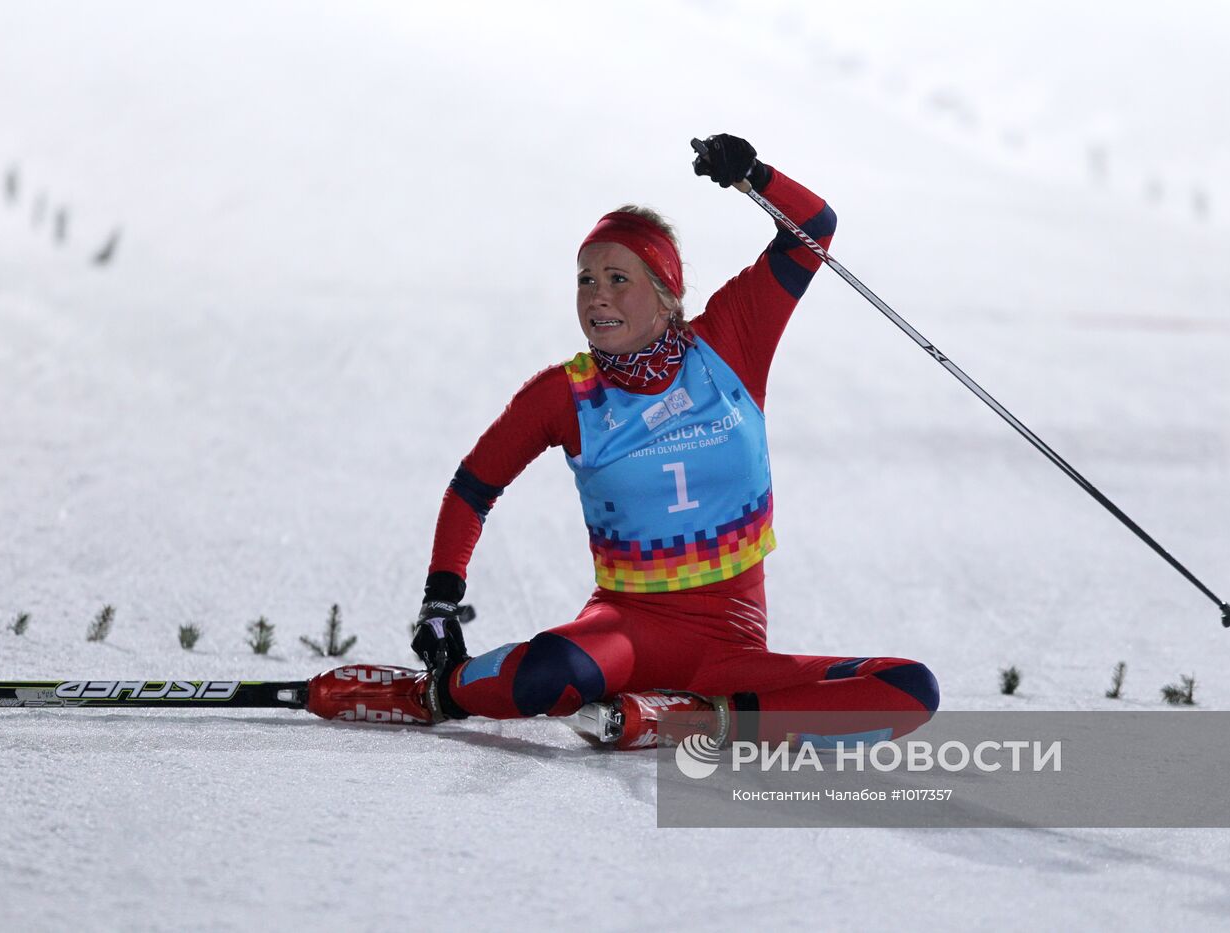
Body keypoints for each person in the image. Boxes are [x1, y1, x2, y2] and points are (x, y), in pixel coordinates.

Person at [306, 134, 938, 748]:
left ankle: (699, 720)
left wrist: (755, 176)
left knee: (909, 689)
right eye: (585, 280)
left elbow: (814, 230)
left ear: (665, 293)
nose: (597, 297)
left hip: (730, 648)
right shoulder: (565, 394)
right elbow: (473, 488)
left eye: (617, 278)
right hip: (624, 633)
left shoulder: (730, 342)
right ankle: (433, 694)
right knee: (546, 676)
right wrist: (440, 601)